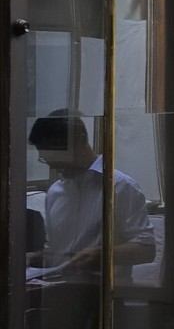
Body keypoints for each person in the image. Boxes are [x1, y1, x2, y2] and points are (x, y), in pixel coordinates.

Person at [27, 111, 156, 274]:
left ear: (80, 141)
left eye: (57, 158)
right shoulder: (55, 192)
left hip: (104, 295)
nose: (53, 167)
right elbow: (54, 249)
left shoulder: (119, 186)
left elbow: (146, 250)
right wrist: (39, 258)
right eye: (46, 160)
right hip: (56, 293)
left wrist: (104, 255)